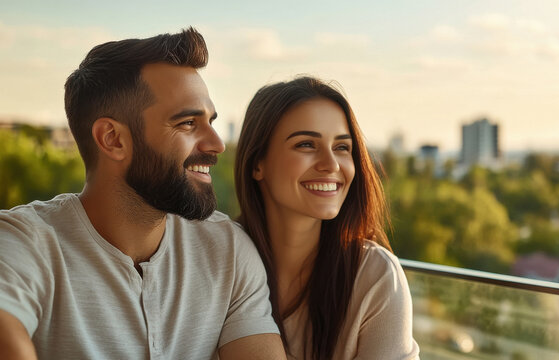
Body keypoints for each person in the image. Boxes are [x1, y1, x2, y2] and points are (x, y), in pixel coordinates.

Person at [0, 28, 286, 359]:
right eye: (188, 124)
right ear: (112, 139)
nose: (216, 144)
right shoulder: (23, 242)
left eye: (210, 121)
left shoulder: (228, 252)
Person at [235, 76, 420, 359]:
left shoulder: (375, 277)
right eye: (306, 144)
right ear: (258, 163)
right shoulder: (219, 262)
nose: (331, 164)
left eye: (342, 147)